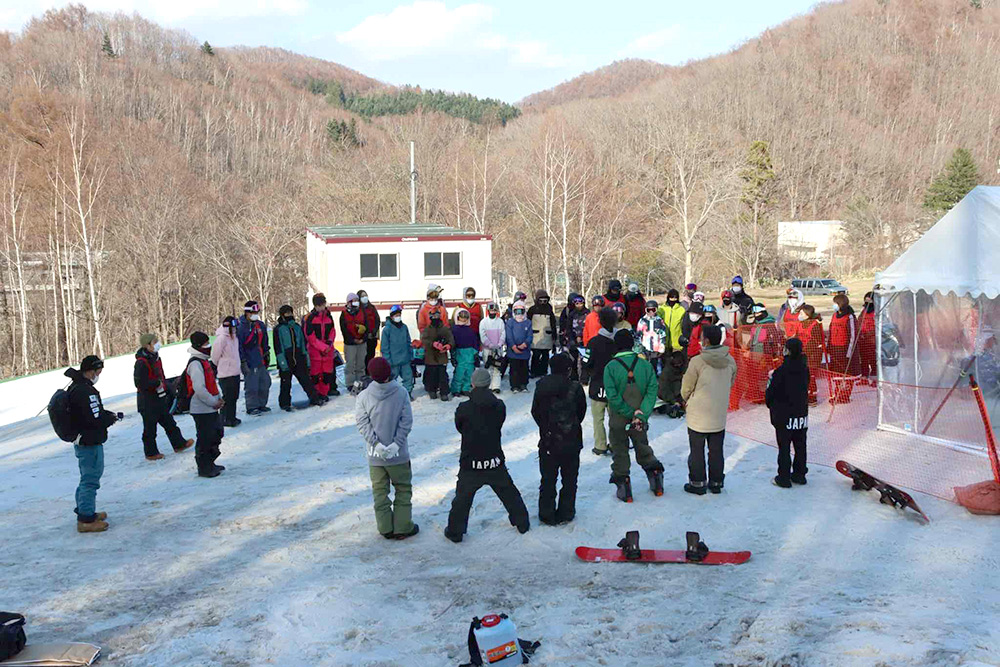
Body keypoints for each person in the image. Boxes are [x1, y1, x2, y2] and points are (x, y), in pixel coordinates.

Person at [445, 368, 530, 542]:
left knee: (462, 499)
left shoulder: (463, 408)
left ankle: (455, 532)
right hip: (494, 459)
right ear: (489, 384)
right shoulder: (499, 406)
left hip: (471, 461)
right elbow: (499, 422)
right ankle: (522, 522)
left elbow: (460, 427)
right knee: (509, 492)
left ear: (473, 384)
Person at [355, 357, 417, 540]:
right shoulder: (401, 392)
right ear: (389, 372)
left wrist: (376, 444)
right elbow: (406, 422)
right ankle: (403, 526)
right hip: (398, 456)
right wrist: (396, 444)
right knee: (403, 489)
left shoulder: (363, 396)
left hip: (375, 457)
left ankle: (385, 527)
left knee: (380, 492)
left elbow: (362, 423)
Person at [604, 329, 664, 502]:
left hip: (618, 418)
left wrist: (629, 413)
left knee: (620, 450)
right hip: (640, 418)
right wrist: (641, 413)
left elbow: (612, 396)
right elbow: (653, 390)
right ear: (632, 344)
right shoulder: (645, 365)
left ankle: (624, 487)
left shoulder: (610, 367)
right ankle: (656, 479)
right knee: (642, 446)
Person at [66, 355, 122, 533]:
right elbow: (93, 417)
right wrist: (109, 419)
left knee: (86, 478)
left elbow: (92, 413)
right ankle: (86, 520)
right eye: (98, 371)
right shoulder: (85, 391)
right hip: (89, 441)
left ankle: (85, 511)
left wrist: (107, 416)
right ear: (90, 370)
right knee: (90, 479)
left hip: (85, 439)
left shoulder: (79, 387)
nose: (99, 374)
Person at [680, 324, 737, 495]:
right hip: (718, 414)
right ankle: (716, 481)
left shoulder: (698, 361)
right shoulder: (730, 360)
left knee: (697, 451)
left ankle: (697, 483)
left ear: (705, 340)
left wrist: (686, 399)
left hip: (698, 414)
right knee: (716, 450)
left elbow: (686, 388)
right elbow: (731, 382)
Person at [531, 353, 587, 525]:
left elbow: (536, 411)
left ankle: (546, 513)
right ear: (568, 370)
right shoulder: (575, 388)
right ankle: (567, 511)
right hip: (571, 440)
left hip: (548, 439)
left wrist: (545, 426)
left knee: (548, 479)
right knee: (570, 479)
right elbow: (581, 412)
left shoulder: (541, 385)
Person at [134, 333, 193, 460]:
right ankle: (151, 453)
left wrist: (168, 388)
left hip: (159, 398)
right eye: (154, 342)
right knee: (150, 429)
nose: (157, 344)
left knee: (170, 423)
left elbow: (161, 375)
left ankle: (179, 444)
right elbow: (139, 383)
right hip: (147, 401)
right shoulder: (141, 362)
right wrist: (156, 383)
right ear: (147, 345)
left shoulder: (155, 357)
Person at [766, 337, 810, 488]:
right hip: (801, 414)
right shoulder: (804, 369)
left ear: (788, 351)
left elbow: (771, 393)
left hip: (784, 415)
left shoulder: (781, 372)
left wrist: (770, 403)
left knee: (784, 447)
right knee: (800, 445)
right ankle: (800, 474)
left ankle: (783, 477)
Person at [186, 331, 226, 478]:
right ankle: (204, 467)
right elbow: (199, 388)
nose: (208, 346)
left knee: (216, 433)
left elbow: (211, 384)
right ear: (198, 345)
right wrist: (213, 402)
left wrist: (218, 398)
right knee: (205, 438)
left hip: (210, 407)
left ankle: (211, 462)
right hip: (201, 409)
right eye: (205, 343)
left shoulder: (204, 361)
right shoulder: (195, 364)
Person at [273, 305, 325, 411]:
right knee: (286, 382)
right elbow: (278, 347)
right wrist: (282, 362)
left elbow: (303, 344)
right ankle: (284, 403)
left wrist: (307, 360)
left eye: (290, 313)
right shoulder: (279, 329)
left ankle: (314, 398)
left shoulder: (297, 327)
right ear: (282, 315)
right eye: (287, 313)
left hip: (298, 356)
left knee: (306, 379)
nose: (289, 315)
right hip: (286, 357)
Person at [584, 307, 618, 456]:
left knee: (598, 418)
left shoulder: (593, 342)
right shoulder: (618, 340)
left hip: (598, 384)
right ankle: (616, 443)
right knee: (615, 418)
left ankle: (600, 445)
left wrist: (585, 375)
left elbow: (586, 361)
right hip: (616, 386)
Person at [657, 289, 689, 418]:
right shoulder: (662, 309)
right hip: (664, 344)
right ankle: (667, 396)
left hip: (676, 344)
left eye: (675, 298)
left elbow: (684, 325)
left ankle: (677, 396)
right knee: (666, 371)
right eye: (671, 297)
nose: (673, 299)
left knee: (676, 370)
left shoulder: (681, 310)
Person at [238, 300, 271, 415]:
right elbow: (239, 346)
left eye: (257, 311)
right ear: (247, 313)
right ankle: (252, 406)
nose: (255, 314)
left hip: (260, 358)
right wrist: (243, 361)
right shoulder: (241, 327)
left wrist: (267, 353)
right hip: (250, 360)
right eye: (253, 312)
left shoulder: (260, 325)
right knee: (252, 385)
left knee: (265, 382)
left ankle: (262, 404)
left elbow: (265, 341)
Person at [303, 293, 339, 398]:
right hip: (315, 351)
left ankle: (325, 392)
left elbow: (332, 331)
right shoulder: (309, 318)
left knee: (327, 372)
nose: (322, 308)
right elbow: (310, 336)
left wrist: (329, 343)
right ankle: (317, 394)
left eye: (323, 305)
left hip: (328, 350)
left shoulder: (328, 316)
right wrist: (322, 347)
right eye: (319, 306)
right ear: (315, 305)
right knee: (316, 374)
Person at [828, 293, 859, 403]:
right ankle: (837, 394)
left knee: (846, 374)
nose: (834, 305)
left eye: (835, 303)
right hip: (835, 349)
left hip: (845, 350)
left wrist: (849, 353)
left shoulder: (849, 317)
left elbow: (853, 335)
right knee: (837, 374)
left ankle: (845, 395)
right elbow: (831, 331)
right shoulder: (834, 315)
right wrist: (829, 347)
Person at [212, 316, 243, 427]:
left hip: (235, 371)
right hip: (225, 373)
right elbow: (215, 356)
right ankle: (224, 418)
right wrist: (222, 365)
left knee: (234, 396)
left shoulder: (234, 338)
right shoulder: (221, 338)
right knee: (228, 397)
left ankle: (231, 417)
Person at [420, 308, 454, 400]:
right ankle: (432, 390)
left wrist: (448, 345)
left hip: (441, 356)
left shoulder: (444, 328)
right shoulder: (427, 329)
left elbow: (451, 339)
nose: (435, 318)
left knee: (443, 376)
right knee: (431, 375)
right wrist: (433, 344)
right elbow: (424, 340)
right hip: (431, 357)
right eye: (433, 316)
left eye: (437, 316)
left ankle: (444, 392)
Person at [381, 305, 415, 397]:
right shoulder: (386, 330)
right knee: (391, 380)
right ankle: (392, 395)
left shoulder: (404, 327)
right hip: (393, 361)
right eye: (396, 315)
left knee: (408, 378)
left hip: (405, 359)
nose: (398, 317)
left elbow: (408, 342)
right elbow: (384, 347)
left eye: (399, 315)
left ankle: (408, 393)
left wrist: (411, 356)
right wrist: (387, 360)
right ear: (391, 316)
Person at [796, 304, 824, 406]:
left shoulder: (815, 325)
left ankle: (812, 398)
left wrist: (804, 351)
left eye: (802, 313)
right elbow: (797, 336)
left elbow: (816, 341)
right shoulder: (800, 324)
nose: (800, 315)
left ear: (807, 315)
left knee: (810, 376)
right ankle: (804, 396)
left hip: (813, 355)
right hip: (802, 354)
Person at [340, 292, 368, 390]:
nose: (356, 302)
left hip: (362, 343)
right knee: (350, 365)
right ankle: (350, 383)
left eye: (357, 300)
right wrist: (353, 340)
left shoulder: (362, 312)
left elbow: (367, 326)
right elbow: (344, 330)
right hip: (350, 344)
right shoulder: (343, 314)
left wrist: (363, 339)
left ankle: (361, 381)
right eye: (354, 301)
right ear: (349, 302)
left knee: (361, 364)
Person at [527, 290, 557, 377]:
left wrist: (554, 337)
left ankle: (543, 371)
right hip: (535, 336)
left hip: (547, 336)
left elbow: (553, 324)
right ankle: (534, 371)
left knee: (545, 355)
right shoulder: (532, 310)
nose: (543, 303)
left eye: (545, 301)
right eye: (541, 301)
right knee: (536, 355)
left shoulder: (549, 310)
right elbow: (528, 323)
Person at [559, 293, 589, 381]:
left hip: (585, 340)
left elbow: (589, 327)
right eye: (576, 303)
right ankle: (574, 377)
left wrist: (584, 338)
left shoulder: (588, 314)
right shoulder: (572, 314)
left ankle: (584, 377)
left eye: (581, 303)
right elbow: (568, 327)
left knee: (585, 360)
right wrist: (571, 338)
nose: (579, 305)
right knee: (573, 360)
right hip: (574, 340)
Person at [504, 301, 532, 392]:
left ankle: (523, 384)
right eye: (517, 311)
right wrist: (513, 346)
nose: (519, 314)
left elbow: (530, 335)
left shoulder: (528, 322)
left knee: (524, 369)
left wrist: (525, 344)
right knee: (514, 369)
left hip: (524, 350)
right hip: (513, 351)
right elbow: (509, 336)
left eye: (521, 311)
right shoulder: (510, 322)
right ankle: (514, 385)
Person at [450, 308, 479, 397]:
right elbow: (452, 343)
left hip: (470, 353)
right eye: (461, 317)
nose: (463, 319)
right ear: (457, 317)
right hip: (460, 353)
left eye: (465, 317)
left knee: (469, 373)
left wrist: (475, 353)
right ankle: (456, 389)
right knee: (459, 373)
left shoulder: (470, 330)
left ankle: (465, 388)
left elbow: (475, 342)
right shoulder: (454, 329)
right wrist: (453, 355)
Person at [479, 302, 506, 393]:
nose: (492, 312)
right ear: (488, 311)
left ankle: (496, 386)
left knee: (497, 368)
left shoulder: (500, 322)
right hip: (487, 349)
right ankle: (488, 386)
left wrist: (499, 344)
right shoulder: (483, 322)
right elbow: (482, 335)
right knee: (488, 367)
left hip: (498, 349)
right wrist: (490, 345)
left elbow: (503, 334)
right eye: (491, 310)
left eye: (494, 310)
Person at [636, 300, 668, 375]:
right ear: (645, 310)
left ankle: (657, 381)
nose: (651, 312)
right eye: (648, 310)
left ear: (656, 310)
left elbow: (663, 335)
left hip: (656, 349)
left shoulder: (659, 321)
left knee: (656, 367)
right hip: (645, 348)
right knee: (644, 367)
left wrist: (662, 347)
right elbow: (638, 335)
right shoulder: (642, 321)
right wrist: (639, 348)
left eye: (653, 310)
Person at [356, 289, 381, 369]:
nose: (365, 297)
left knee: (371, 356)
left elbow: (377, 320)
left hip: (372, 337)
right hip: (363, 338)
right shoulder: (357, 309)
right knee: (363, 357)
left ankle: (370, 372)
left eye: (365, 295)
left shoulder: (372, 308)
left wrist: (374, 331)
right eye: (362, 296)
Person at [858, 291, 877, 381]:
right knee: (863, 359)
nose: (868, 304)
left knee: (873, 360)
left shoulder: (877, 312)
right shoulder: (864, 311)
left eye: (870, 302)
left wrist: (868, 334)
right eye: (866, 302)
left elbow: (878, 326)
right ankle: (864, 376)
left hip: (873, 341)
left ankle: (874, 378)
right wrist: (860, 333)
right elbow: (859, 322)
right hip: (863, 340)